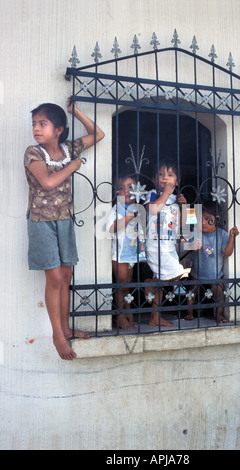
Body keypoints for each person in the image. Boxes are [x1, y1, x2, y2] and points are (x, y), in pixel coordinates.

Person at [24, 98, 105, 360]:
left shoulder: (69, 148)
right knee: (55, 277)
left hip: (65, 220)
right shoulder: (33, 153)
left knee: (67, 275)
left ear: (58, 129)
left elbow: (98, 134)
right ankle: (57, 336)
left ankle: (67, 328)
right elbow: (47, 182)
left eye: (43, 124)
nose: (36, 129)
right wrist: (72, 166)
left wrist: (75, 111)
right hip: (41, 221)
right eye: (34, 124)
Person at [144, 159, 187, 327]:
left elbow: (184, 225)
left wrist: (183, 206)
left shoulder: (177, 199)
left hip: (169, 245)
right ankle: (150, 284)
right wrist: (166, 194)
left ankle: (155, 317)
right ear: (155, 178)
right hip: (155, 246)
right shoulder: (153, 194)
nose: (165, 178)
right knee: (177, 273)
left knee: (162, 281)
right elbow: (154, 209)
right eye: (161, 174)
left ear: (177, 181)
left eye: (170, 175)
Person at [186, 202, 239, 323]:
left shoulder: (222, 234)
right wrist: (193, 245)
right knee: (191, 292)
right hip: (196, 272)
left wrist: (231, 238)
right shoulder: (196, 232)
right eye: (200, 219)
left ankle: (219, 314)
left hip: (215, 274)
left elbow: (227, 252)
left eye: (208, 219)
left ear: (217, 219)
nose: (203, 222)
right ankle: (189, 312)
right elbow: (187, 245)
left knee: (219, 294)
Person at [106, 174, 146, 330]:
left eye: (130, 187)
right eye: (121, 188)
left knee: (127, 286)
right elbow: (111, 228)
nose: (126, 191)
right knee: (121, 286)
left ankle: (127, 312)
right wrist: (127, 219)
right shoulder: (118, 208)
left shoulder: (138, 207)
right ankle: (120, 317)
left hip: (131, 253)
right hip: (120, 254)